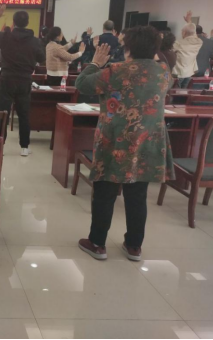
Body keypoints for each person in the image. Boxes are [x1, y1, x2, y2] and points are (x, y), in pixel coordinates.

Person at [76, 26, 175, 262]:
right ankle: (134, 246)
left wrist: (95, 63)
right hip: (147, 141)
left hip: (116, 140)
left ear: (128, 47)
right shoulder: (164, 72)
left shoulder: (117, 71)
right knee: (138, 195)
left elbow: (82, 84)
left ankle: (97, 243)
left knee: (105, 192)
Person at [0, 4, 45, 156]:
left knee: (3, 113)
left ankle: (1, 146)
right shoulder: (34, 41)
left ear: (13, 22)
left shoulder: (6, 37)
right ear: (27, 22)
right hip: (25, 79)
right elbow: (42, 58)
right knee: (24, 114)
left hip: (7, 78)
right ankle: (24, 147)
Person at [173, 11, 202, 88]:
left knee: (176, 91)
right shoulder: (199, 42)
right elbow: (193, 33)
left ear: (184, 32)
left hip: (179, 73)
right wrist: (189, 21)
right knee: (184, 91)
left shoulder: (178, 43)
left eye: (182, 31)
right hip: (189, 72)